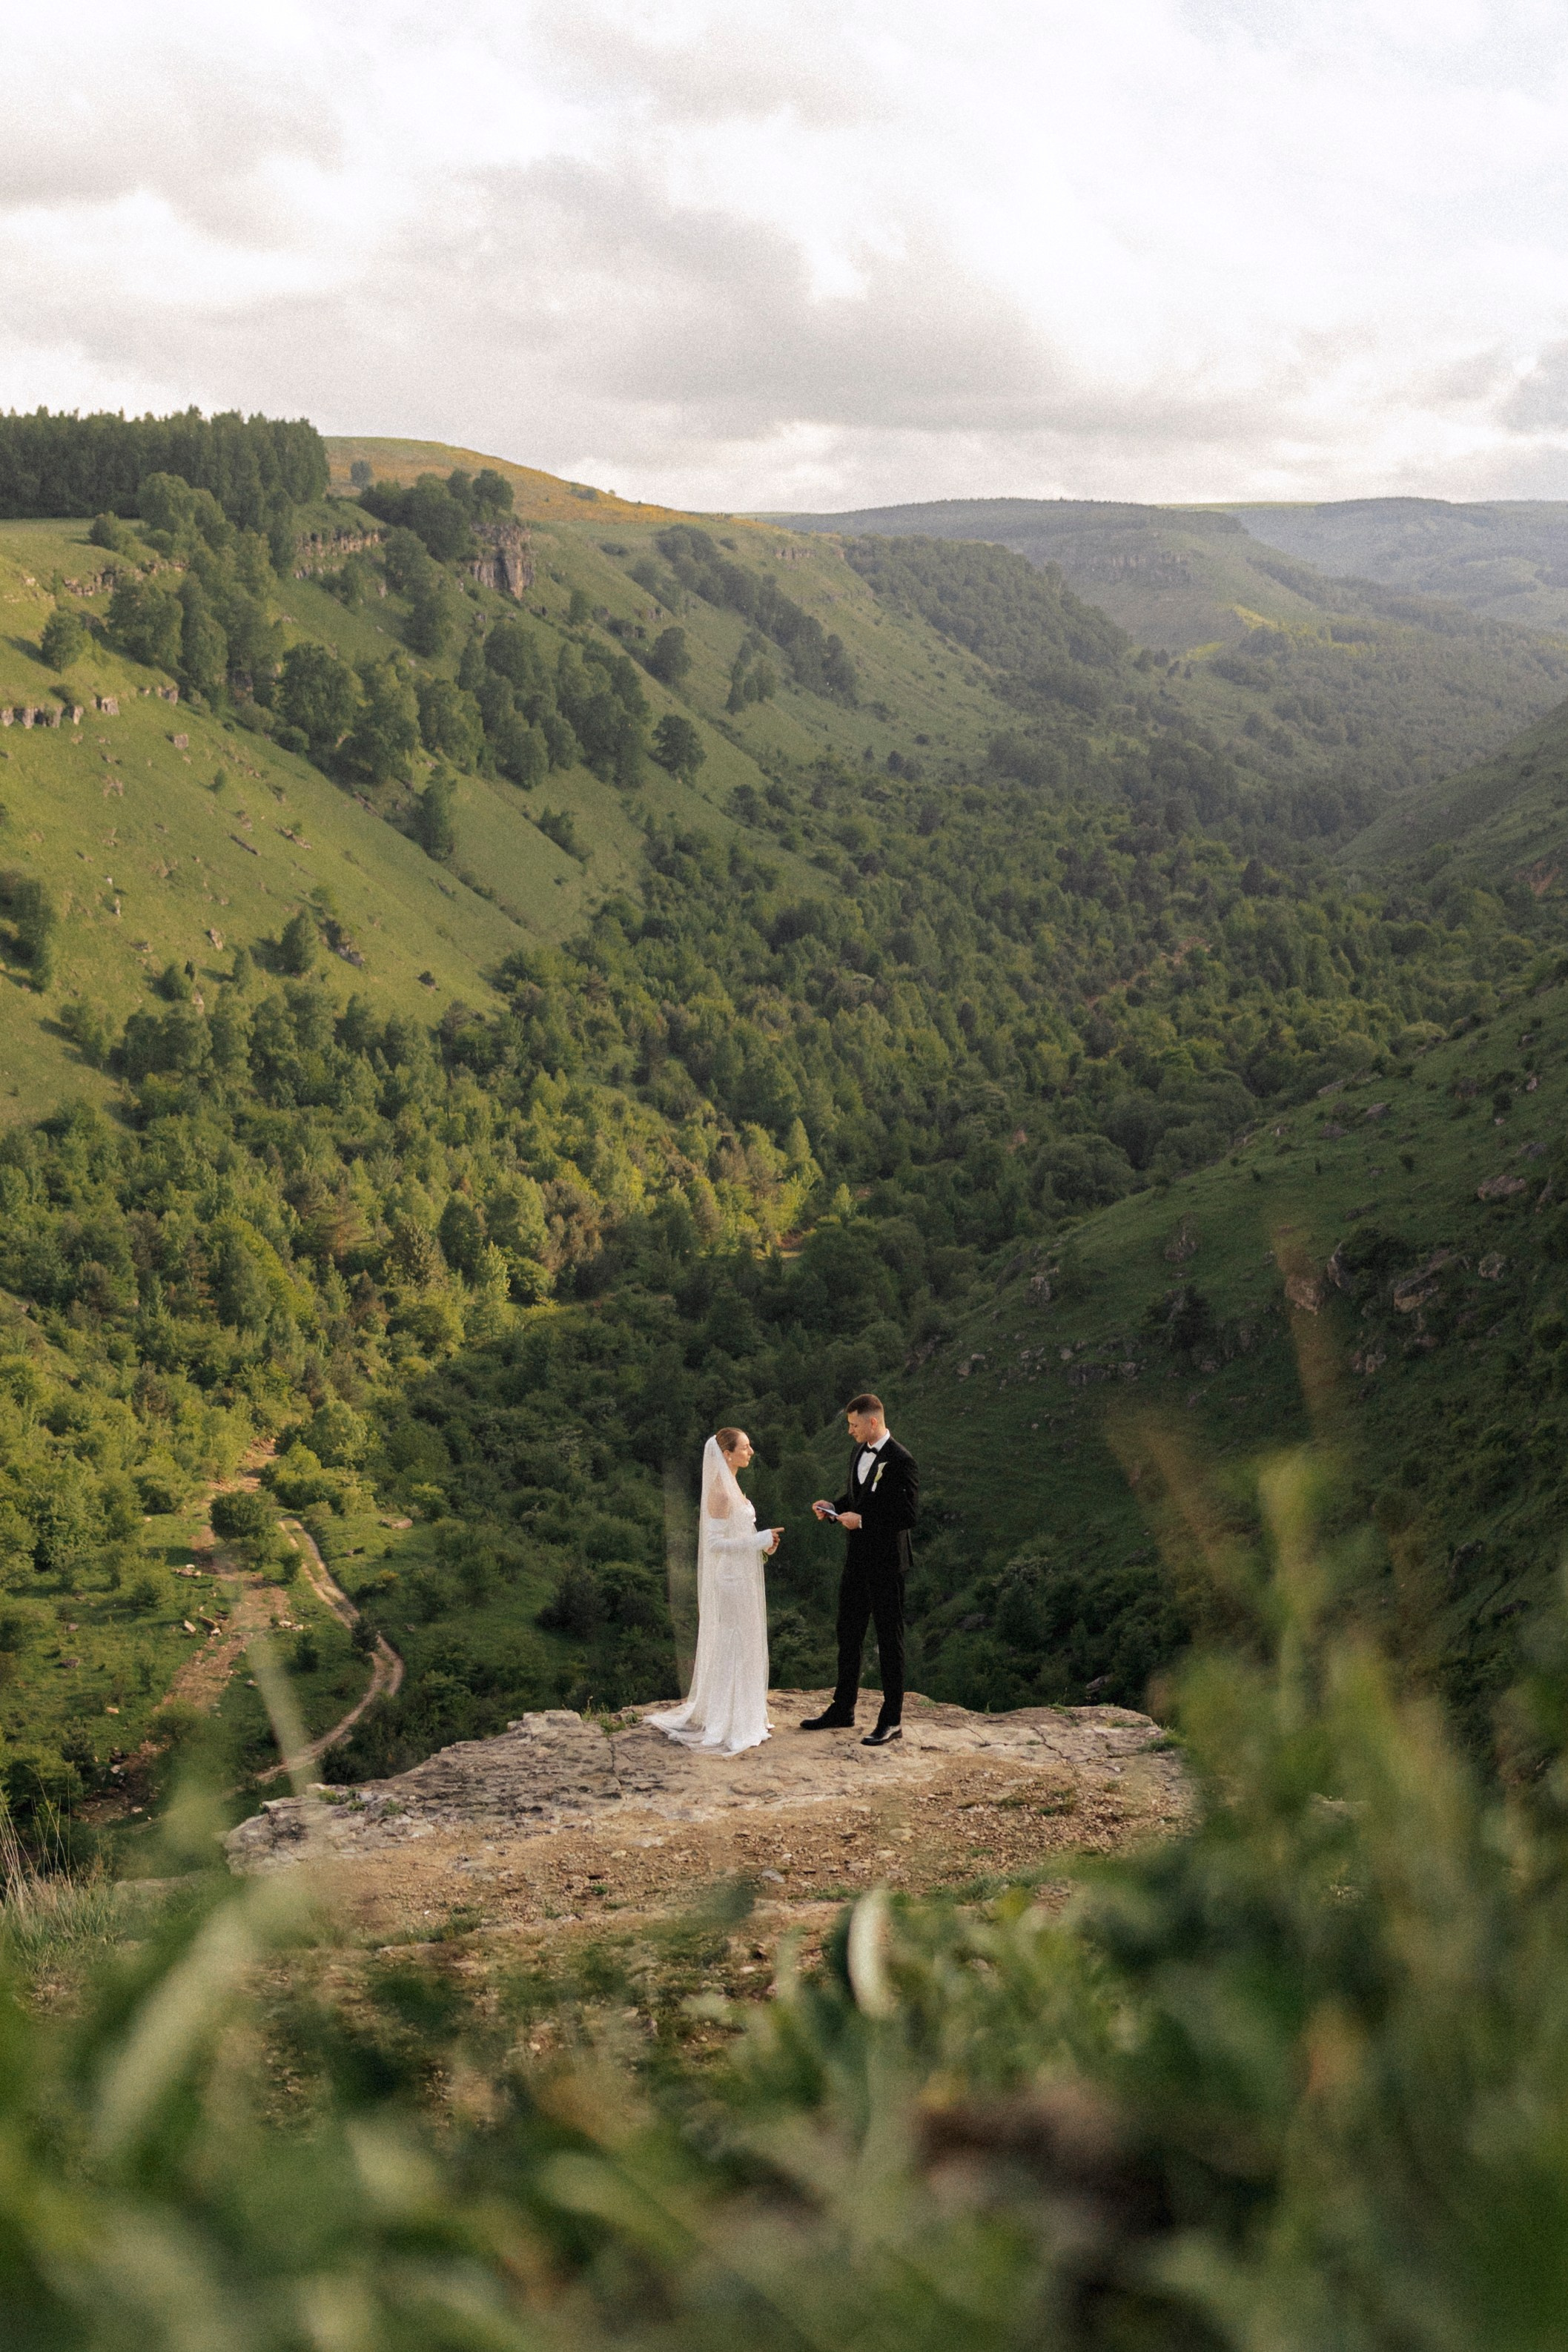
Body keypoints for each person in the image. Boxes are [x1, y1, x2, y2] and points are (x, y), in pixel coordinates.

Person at [646, 1427, 780, 1757]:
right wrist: (758, 1540)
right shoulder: (720, 1492)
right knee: (735, 1640)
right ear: (728, 1454)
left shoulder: (732, 1484)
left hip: (743, 1574)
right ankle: (730, 1718)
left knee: (745, 1639)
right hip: (731, 1579)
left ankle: (744, 1711)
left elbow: (739, 1535)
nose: (752, 1452)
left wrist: (764, 1548)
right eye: (746, 1447)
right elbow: (715, 1545)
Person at [804, 1393, 918, 1746]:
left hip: (886, 1565)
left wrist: (864, 1521)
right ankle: (843, 1708)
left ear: (872, 1422)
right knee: (848, 1634)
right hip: (856, 1562)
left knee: (889, 1639)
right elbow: (857, 1499)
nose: (850, 1432)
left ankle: (892, 1720)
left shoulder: (902, 1460)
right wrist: (833, 1507)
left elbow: (908, 1515)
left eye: (854, 1425)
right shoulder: (858, 1452)